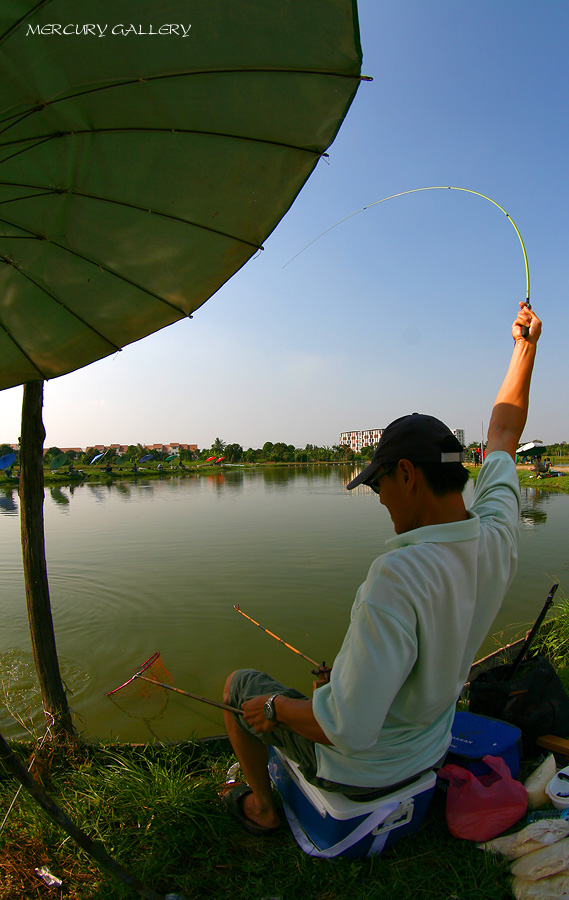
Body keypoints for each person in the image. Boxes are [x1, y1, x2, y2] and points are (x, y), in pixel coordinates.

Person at [222, 302, 542, 835]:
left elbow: (345, 726)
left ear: (409, 475)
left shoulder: (396, 577)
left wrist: (276, 708)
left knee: (239, 687)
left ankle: (261, 807)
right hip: (428, 752)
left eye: (377, 483)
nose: (377, 497)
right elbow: (506, 430)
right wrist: (525, 348)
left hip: (364, 772)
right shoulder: (497, 533)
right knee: (337, 684)